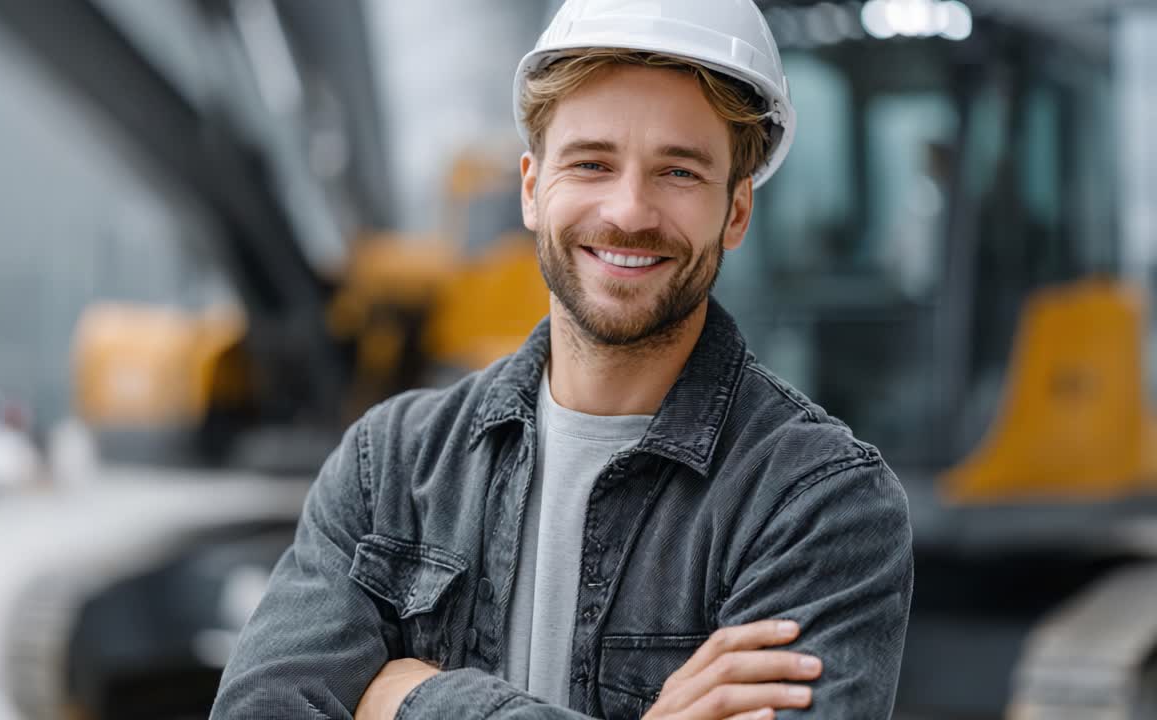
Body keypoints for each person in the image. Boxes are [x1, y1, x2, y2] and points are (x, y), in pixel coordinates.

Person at [210, 1, 913, 718]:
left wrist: (418, 700)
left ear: (735, 212)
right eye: (591, 163)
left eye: (678, 172)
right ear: (531, 189)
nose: (629, 211)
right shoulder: (389, 467)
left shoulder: (816, 504)